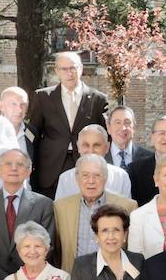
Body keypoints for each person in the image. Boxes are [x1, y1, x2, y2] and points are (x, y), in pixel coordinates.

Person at [28, 51, 109, 198]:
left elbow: (105, 136)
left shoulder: (98, 99)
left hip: (86, 164)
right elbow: (34, 133)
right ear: (57, 71)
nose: (69, 73)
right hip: (51, 167)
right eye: (64, 69)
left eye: (73, 68)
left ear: (81, 68)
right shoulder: (43, 97)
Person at [0, 148, 57, 280]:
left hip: (33, 279)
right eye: (8, 164)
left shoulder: (44, 204)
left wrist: (25, 275)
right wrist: (3, 278)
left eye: (20, 164)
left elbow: (48, 245)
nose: (14, 168)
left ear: (29, 172)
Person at [54, 154, 138, 273]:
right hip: (72, 278)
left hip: (112, 279)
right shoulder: (60, 207)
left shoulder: (128, 207)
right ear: (77, 179)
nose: (91, 181)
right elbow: (56, 251)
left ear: (106, 178)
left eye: (97, 175)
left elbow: (132, 250)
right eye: (85, 175)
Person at [53, 125, 133, 201]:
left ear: (107, 147)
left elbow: (126, 210)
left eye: (96, 145)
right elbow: (60, 212)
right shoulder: (66, 179)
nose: (91, 151)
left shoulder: (121, 177)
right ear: (78, 147)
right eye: (86, 145)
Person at [105, 105, 152, 174]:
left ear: (134, 127)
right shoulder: (100, 157)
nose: (123, 128)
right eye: (117, 122)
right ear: (109, 128)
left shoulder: (149, 158)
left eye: (127, 122)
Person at [0, 85, 32, 156]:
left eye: (23, 104)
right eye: (13, 104)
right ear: (1, 106)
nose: (19, 109)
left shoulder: (31, 132)